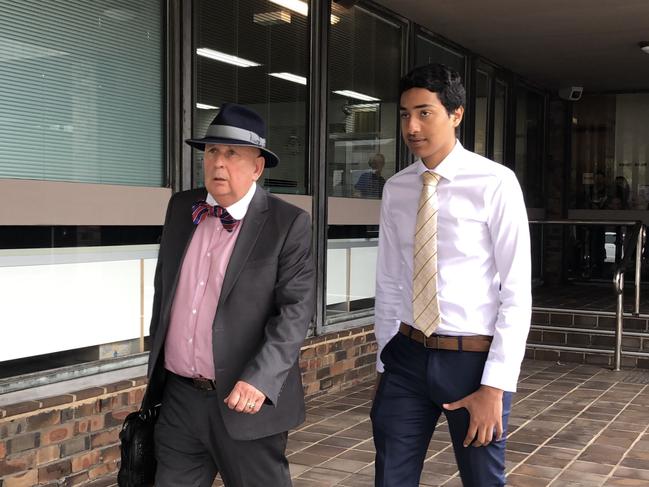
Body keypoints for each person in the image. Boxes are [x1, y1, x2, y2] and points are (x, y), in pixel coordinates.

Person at [371, 63, 531, 486]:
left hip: (472, 361)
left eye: (425, 112)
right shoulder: (398, 188)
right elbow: (389, 278)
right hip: (406, 355)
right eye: (405, 114)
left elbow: (516, 290)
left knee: (482, 479)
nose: (412, 125)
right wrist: (386, 358)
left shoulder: (495, 183)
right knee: (391, 478)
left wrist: (495, 385)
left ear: (456, 114)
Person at [146, 103, 316, 487]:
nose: (218, 164)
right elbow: (165, 289)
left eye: (232, 154)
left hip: (245, 399)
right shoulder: (181, 208)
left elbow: (295, 311)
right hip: (180, 398)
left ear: (257, 167)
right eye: (212, 152)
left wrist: (261, 379)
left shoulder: (287, 223)